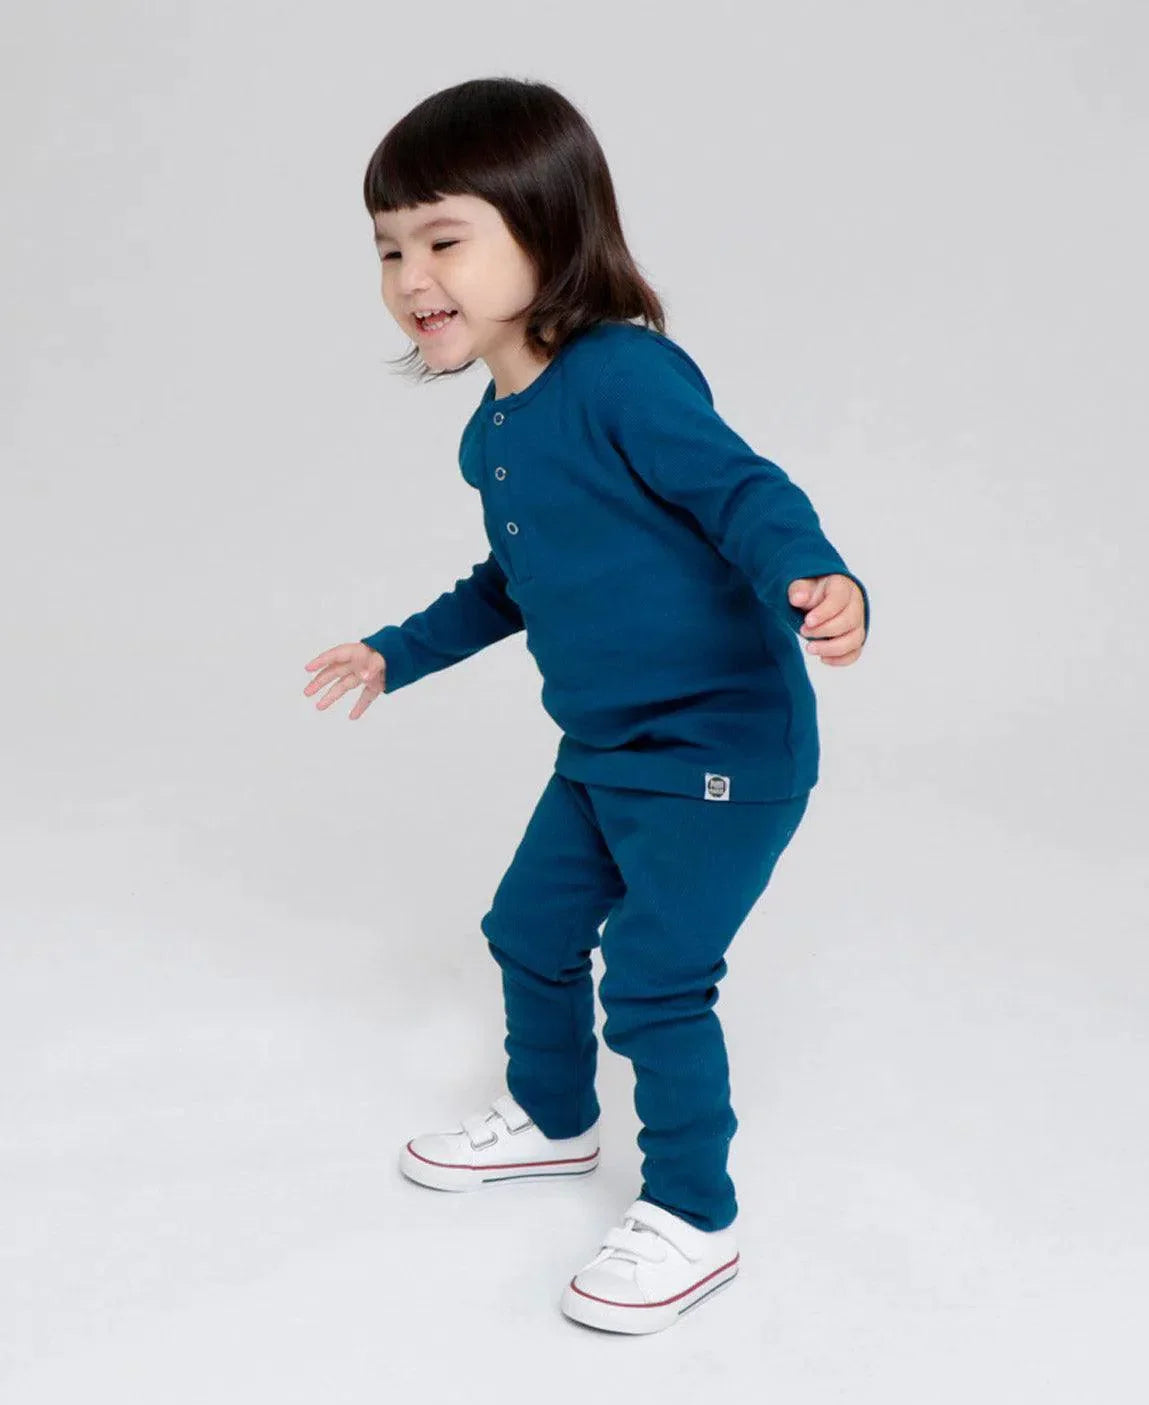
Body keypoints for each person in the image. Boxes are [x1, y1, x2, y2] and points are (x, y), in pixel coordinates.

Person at [303, 77, 870, 1336]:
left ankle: (695, 1216)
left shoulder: (626, 377)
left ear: (548, 229)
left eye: (443, 239)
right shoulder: (494, 432)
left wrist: (817, 574)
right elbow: (513, 582)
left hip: (721, 752)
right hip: (605, 750)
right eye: (389, 249)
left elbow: (744, 490)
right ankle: (555, 1119)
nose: (410, 276)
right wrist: (395, 652)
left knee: (657, 978)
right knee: (527, 930)